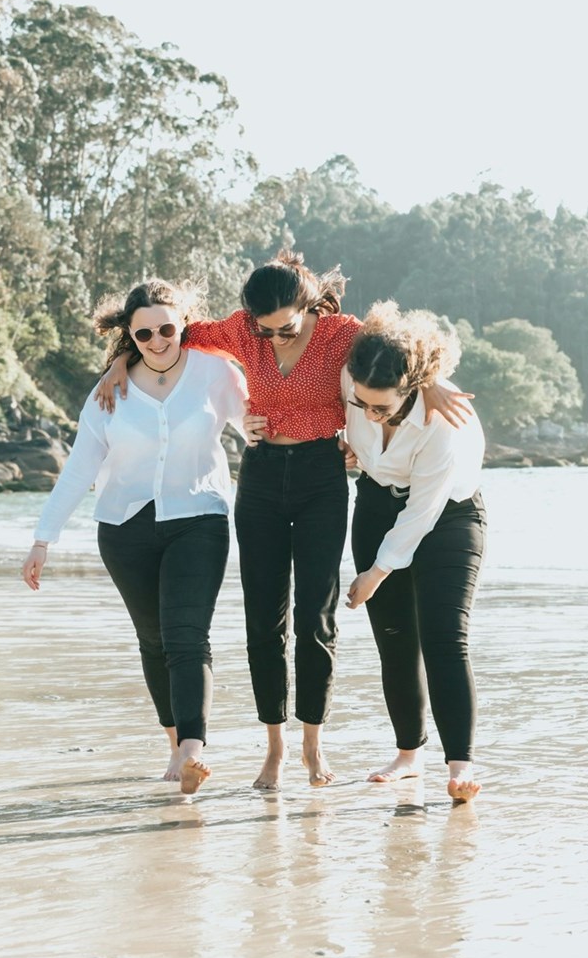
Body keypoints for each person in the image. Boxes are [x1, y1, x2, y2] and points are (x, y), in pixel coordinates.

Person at [97, 253, 471, 791]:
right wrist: (117, 364)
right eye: (264, 330)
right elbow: (162, 338)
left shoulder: (344, 333)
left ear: (308, 305)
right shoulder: (239, 330)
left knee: (315, 618)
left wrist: (431, 382)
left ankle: (312, 749)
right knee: (262, 620)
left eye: (285, 327)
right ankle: (273, 751)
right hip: (262, 477)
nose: (272, 338)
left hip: (322, 476)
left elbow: (402, 350)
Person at [21, 279, 247, 796]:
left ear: (183, 323)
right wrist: (42, 539)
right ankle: (175, 744)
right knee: (154, 641)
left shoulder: (214, 372)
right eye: (144, 334)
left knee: (188, 634)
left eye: (168, 328)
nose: (159, 340)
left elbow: (254, 422)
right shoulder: (109, 391)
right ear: (131, 335)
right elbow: (80, 468)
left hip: (199, 518)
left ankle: (194, 746)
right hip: (125, 528)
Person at [342, 301, 487, 804]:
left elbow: (422, 513)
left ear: (412, 390)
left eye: (381, 407)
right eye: (361, 405)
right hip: (377, 503)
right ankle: (408, 756)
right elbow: (346, 331)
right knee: (394, 639)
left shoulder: (442, 422)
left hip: (448, 516)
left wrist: (375, 574)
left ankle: (460, 766)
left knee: (445, 637)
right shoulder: (359, 379)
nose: (367, 413)